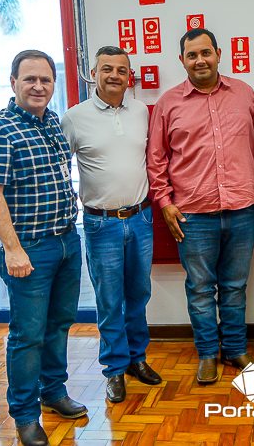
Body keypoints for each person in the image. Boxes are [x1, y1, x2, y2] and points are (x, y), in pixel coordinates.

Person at [0, 50, 86, 446]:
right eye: (30, 79)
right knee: (27, 335)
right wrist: (12, 249)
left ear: (53, 84)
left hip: (66, 241)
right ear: (13, 83)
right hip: (29, 250)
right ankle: (24, 415)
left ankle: (53, 391)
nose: (38, 86)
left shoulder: (52, 122)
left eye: (45, 80)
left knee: (59, 324)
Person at [147, 28, 254, 384]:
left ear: (218, 54)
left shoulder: (244, 94)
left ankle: (235, 350)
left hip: (241, 210)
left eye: (205, 53)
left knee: (235, 286)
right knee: (200, 289)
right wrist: (164, 202)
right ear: (182, 60)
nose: (200, 60)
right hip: (193, 215)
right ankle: (207, 354)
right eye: (192, 55)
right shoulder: (169, 104)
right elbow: (156, 159)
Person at [61, 46, 161, 404]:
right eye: (107, 69)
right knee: (109, 300)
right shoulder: (75, 117)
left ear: (129, 75)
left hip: (141, 218)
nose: (115, 75)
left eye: (121, 69)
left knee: (139, 294)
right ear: (94, 73)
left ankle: (137, 359)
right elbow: (59, 167)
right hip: (101, 224)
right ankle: (114, 369)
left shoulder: (141, 112)